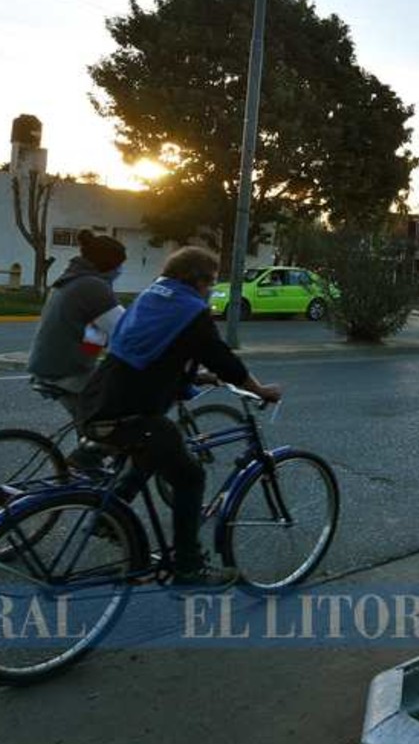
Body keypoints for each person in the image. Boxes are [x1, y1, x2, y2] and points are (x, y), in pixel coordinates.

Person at [80, 246, 281, 587]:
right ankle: (188, 567)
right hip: (131, 413)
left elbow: (151, 348)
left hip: (97, 402)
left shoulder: (152, 296)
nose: (211, 289)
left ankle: (108, 518)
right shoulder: (190, 309)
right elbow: (221, 357)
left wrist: (195, 376)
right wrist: (260, 390)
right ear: (197, 280)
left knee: (151, 456)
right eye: (212, 281)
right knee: (190, 476)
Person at [27, 230, 129, 463]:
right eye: (120, 265)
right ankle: (81, 470)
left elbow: (94, 329)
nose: (120, 271)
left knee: (101, 408)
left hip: (51, 362)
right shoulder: (93, 286)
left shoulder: (71, 279)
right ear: (109, 264)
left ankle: (89, 469)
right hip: (67, 370)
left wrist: (103, 356)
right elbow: (127, 329)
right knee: (115, 420)